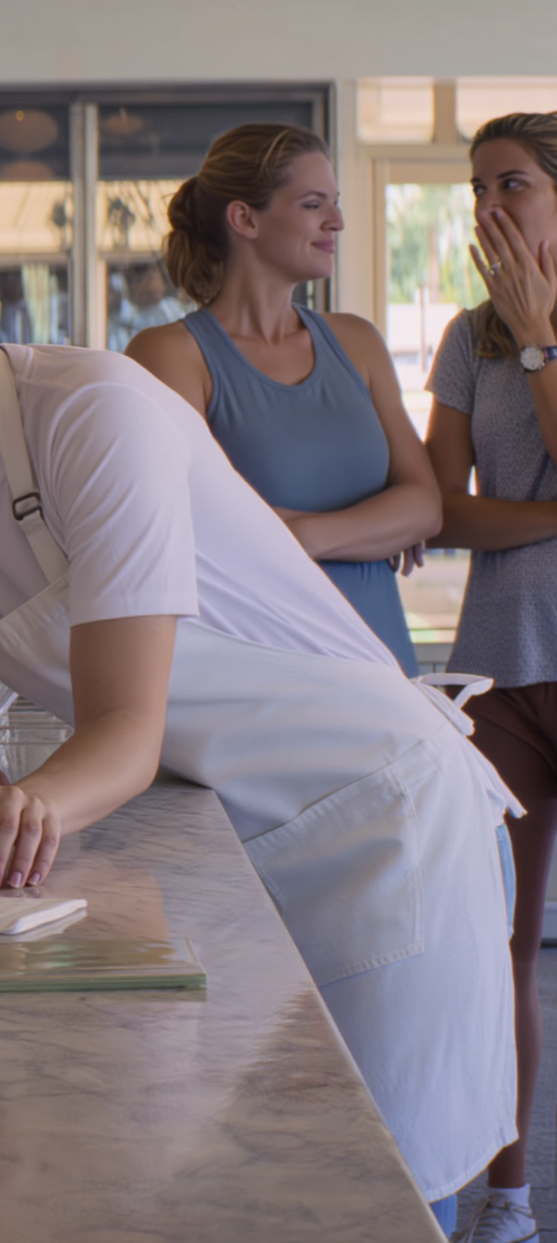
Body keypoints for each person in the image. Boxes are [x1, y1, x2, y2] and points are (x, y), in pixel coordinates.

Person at [0, 138, 519, 1234]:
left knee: (376, 1187)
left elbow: (123, 725)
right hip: (213, 826)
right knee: (241, 1173)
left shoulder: (89, 405)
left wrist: (24, 807)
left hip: (379, 817)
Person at [125, 124, 437, 676]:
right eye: (314, 204)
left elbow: (425, 505)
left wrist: (303, 533)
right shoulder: (170, 354)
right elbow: (196, 530)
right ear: (245, 219)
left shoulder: (356, 341)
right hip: (265, 675)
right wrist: (371, 527)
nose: (336, 221)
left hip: (387, 666)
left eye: (334, 204)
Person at [424, 112, 557, 1243]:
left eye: (510, 183)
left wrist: (543, 337)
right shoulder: (467, 337)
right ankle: (504, 1202)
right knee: (494, 944)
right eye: (477, 190)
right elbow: (440, 505)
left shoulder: (509, 334)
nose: (488, 209)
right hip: (500, 674)